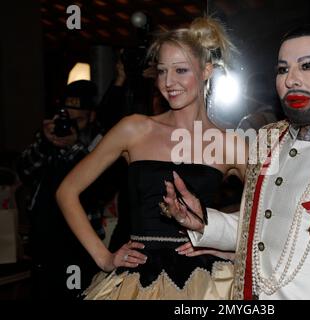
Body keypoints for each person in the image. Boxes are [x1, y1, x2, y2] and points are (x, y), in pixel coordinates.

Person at [165, 24, 310, 300]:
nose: (291, 80)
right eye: (282, 69)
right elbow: (257, 229)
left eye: (308, 66)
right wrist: (203, 222)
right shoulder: (267, 138)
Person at [56, 17, 247, 299]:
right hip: (136, 279)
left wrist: (225, 247)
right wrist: (103, 257)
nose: (168, 82)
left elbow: (269, 211)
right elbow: (67, 191)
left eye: (181, 70)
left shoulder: (230, 143)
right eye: (161, 71)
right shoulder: (134, 129)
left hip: (203, 285)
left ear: (207, 70)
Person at [16, 80, 119, 299]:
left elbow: (99, 187)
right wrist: (44, 142)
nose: (70, 125)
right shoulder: (47, 139)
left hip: (80, 246)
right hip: (44, 245)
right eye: (67, 117)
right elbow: (24, 171)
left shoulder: (101, 142)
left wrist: (74, 147)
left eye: (78, 120)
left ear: (91, 116)